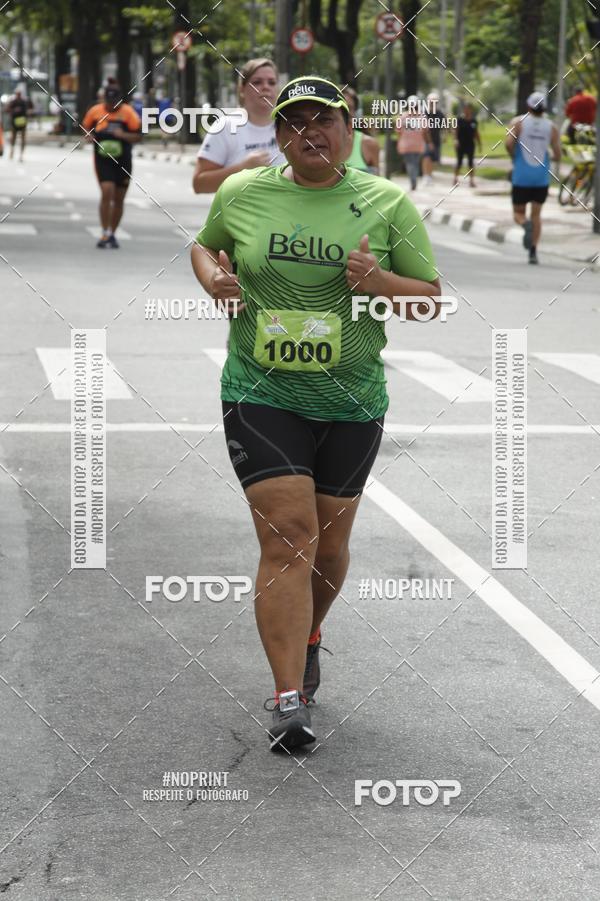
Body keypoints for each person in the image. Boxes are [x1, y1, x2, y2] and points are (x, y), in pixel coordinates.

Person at [191, 75, 441, 753]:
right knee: (289, 536)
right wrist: (214, 279)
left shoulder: (386, 203)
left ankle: (308, 635)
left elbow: (429, 298)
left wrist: (382, 283)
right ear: (278, 136)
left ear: (348, 130)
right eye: (294, 122)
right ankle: (287, 699)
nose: (310, 132)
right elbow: (204, 245)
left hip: (351, 399)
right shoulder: (243, 192)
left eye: (323, 119)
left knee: (327, 549)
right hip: (261, 391)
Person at [192, 58, 286, 194]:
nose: (266, 87)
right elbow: (199, 184)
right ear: (242, 89)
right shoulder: (225, 127)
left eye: (271, 82)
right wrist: (243, 168)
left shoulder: (290, 126)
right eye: (257, 82)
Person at [81, 81, 142, 248]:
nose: (111, 106)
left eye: (114, 102)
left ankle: (112, 233)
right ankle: (104, 231)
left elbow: (138, 136)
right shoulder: (95, 112)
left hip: (123, 160)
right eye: (109, 102)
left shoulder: (128, 113)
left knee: (119, 198)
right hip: (103, 159)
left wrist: (123, 135)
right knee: (107, 191)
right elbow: (86, 129)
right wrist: (89, 136)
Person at [506, 91, 561, 265]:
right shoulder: (551, 127)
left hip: (521, 176)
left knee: (518, 213)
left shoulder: (518, 122)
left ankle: (525, 224)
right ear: (544, 108)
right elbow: (558, 154)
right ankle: (533, 252)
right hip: (541, 177)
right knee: (536, 215)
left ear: (529, 106)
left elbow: (508, 143)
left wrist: (514, 157)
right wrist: (550, 157)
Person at [395, 95, 432, 191]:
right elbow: (425, 132)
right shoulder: (422, 117)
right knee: (415, 163)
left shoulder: (403, 116)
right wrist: (429, 143)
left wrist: (399, 142)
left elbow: (398, 132)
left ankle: (413, 180)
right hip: (418, 145)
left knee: (409, 163)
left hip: (406, 145)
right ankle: (414, 179)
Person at [342, 87, 380, 174]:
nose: (344, 113)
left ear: (355, 112)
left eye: (349, 107)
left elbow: (376, 180)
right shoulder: (320, 144)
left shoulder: (369, 144)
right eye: (340, 107)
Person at [453, 102, 482, 187]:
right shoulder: (459, 120)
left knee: (470, 163)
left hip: (470, 144)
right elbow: (455, 130)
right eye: (465, 109)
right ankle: (455, 179)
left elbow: (476, 133)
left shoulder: (474, 121)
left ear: (471, 110)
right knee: (459, 162)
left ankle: (471, 181)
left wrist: (479, 144)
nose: (467, 110)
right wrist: (456, 140)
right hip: (461, 144)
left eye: (468, 109)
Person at [422, 91, 444, 185]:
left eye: (435, 102)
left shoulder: (440, 114)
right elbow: (424, 129)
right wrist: (429, 142)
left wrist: (444, 136)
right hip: (426, 140)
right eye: (431, 102)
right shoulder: (424, 113)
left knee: (433, 160)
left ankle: (429, 176)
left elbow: (443, 126)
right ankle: (426, 176)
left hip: (436, 139)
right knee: (427, 157)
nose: (432, 104)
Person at [7, 89, 33, 162]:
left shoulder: (25, 101)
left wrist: (28, 112)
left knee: (23, 138)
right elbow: (7, 109)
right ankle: (12, 150)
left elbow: (31, 108)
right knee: (13, 137)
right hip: (14, 122)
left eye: (19, 94)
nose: (18, 95)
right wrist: (14, 110)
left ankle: (21, 155)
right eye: (17, 94)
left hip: (23, 122)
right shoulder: (13, 101)